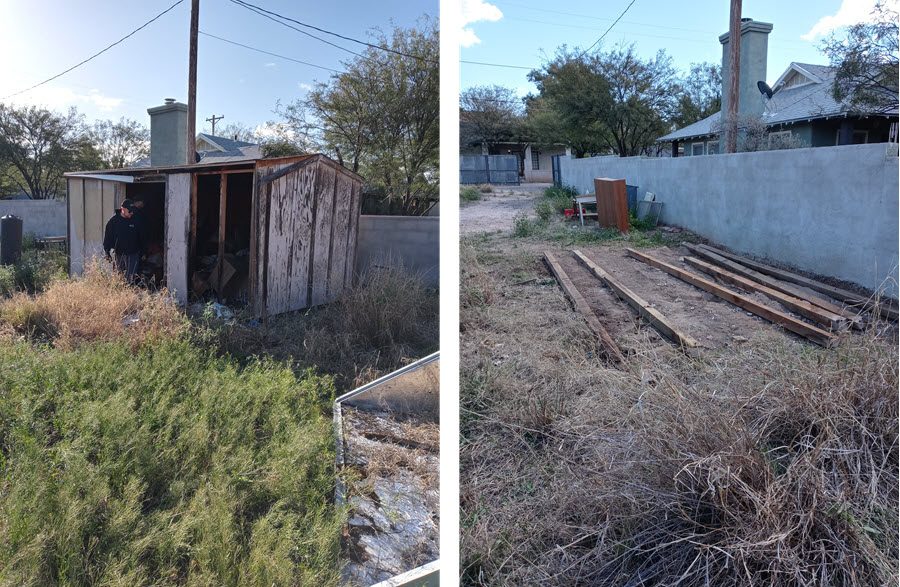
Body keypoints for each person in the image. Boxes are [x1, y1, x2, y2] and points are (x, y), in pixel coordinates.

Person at [103, 199, 144, 283]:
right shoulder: (113, 222)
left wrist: (143, 252)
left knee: (130, 278)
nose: (132, 213)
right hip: (119, 254)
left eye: (133, 211)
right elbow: (108, 237)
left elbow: (142, 237)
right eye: (130, 211)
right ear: (123, 209)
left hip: (133, 254)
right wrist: (107, 252)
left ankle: (130, 293)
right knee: (120, 278)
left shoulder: (136, 220)